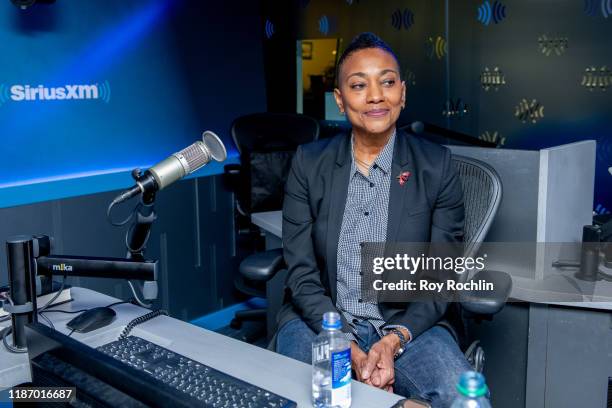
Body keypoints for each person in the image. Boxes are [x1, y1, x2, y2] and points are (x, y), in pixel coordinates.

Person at [276, 32, 472, 407]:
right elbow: (301, 274)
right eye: (358, 85)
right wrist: (344, 342)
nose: (375, 95)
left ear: (402, 92)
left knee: (459, 396)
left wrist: (394, 338)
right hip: (321, 318)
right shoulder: (308, 163)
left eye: (386, 81)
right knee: (302, 396)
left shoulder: (437, 166)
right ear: (340, 99)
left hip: (408, 324)